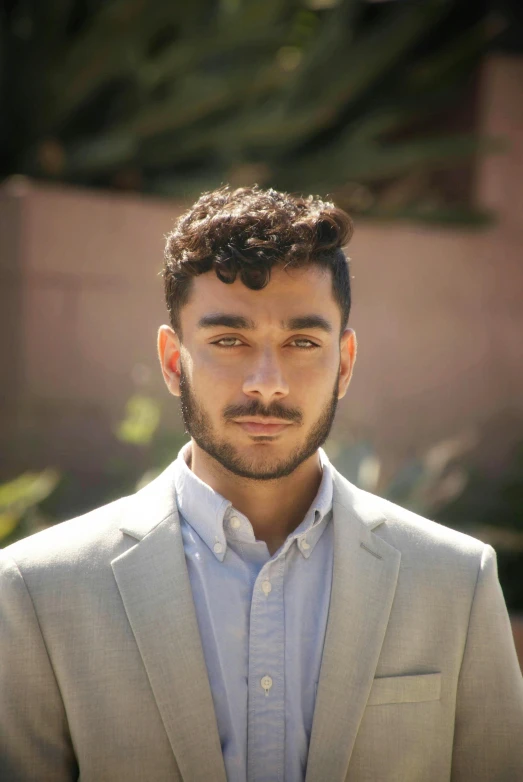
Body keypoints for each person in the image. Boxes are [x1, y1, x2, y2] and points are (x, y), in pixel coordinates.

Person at [1, 185, 522, 782]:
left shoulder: (456, 582)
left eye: (303, 342)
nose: (267, 383)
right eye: (229, 341)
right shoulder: (40, 592)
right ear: (174, 363)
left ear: (345, 364)